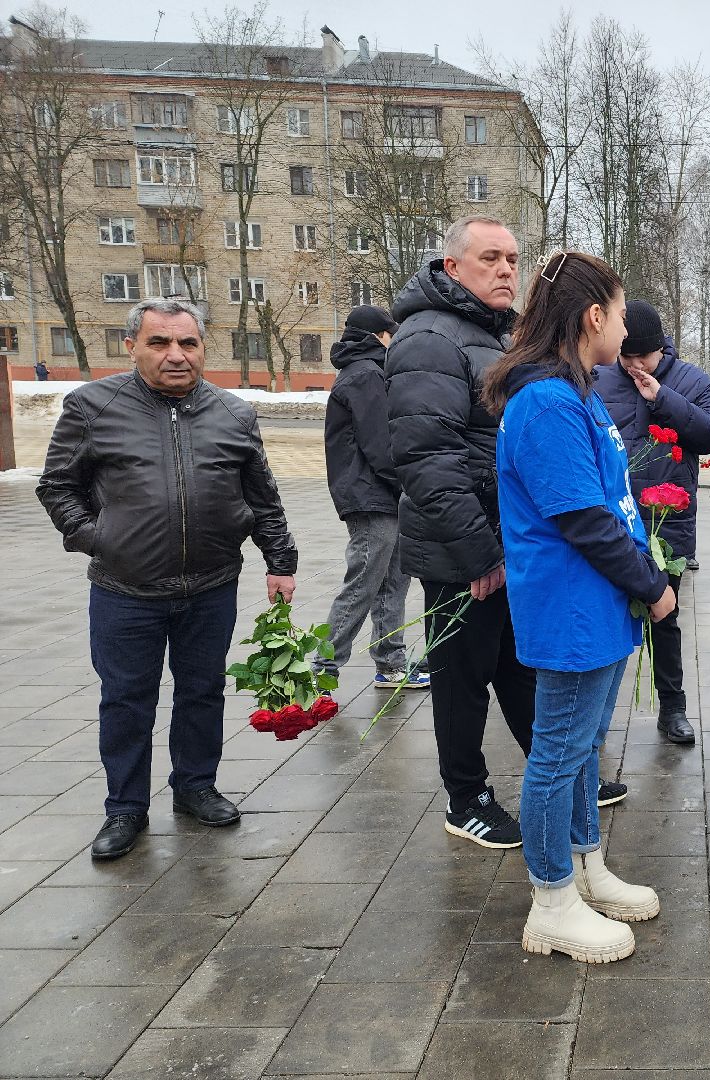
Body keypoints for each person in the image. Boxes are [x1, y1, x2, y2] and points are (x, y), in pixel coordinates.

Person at [36, 298, 297, 860]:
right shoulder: (91, 407)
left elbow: (262, 496)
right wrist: (98, 537)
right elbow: (57, 486)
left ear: (204, 348)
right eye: (160, 343)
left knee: (202, 691)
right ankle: (125, 809)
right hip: (125, 591)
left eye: (188, 343)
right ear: (133, 346)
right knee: (127, 700)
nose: (176, 355)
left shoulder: (233, 413)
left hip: (211, 585)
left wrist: (280, 561)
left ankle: (195, 786)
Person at [486, 250, 676, 965]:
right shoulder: (546, 402)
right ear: (594, 316)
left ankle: (585, 865)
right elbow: (585, 519)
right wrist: (653, 585)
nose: (626, 326)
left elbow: (612, 506)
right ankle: (552, 901)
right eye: (621, 312)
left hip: (599, 606)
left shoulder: (579, 393)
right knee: (557, 755)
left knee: (583, 750)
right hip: (572, 608)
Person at [386, 217, 537, 850]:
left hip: (505, 543)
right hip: (463, 553)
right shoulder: (428, 340)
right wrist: (480, 550)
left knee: (516, 666)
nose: (507, 270)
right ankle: (465, 796)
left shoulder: (492, 336)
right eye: (491, 258)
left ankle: (560, 768)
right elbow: (427, 457)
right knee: (460, 678)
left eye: (512, 258)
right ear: (452, 268)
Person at [596, 300, 710, 744]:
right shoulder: (597, 377)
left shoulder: (690, 380)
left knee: (665, 618)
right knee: (604, 618)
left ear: (660, 350)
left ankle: (673, 708)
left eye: (642, 357)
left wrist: (663, 399)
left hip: (664, 525)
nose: (633, 366)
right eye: (626, 357)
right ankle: (596, 718)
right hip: (609, 525)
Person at [317, 304, 427, 691]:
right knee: (364, 581)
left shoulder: (366, 370)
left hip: (382, 494)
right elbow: (381, 443)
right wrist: (409, 482)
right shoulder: (365, 374)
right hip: (371, 495)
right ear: (381, 336)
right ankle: (322, 666)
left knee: (394, 582)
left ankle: (391, 662)